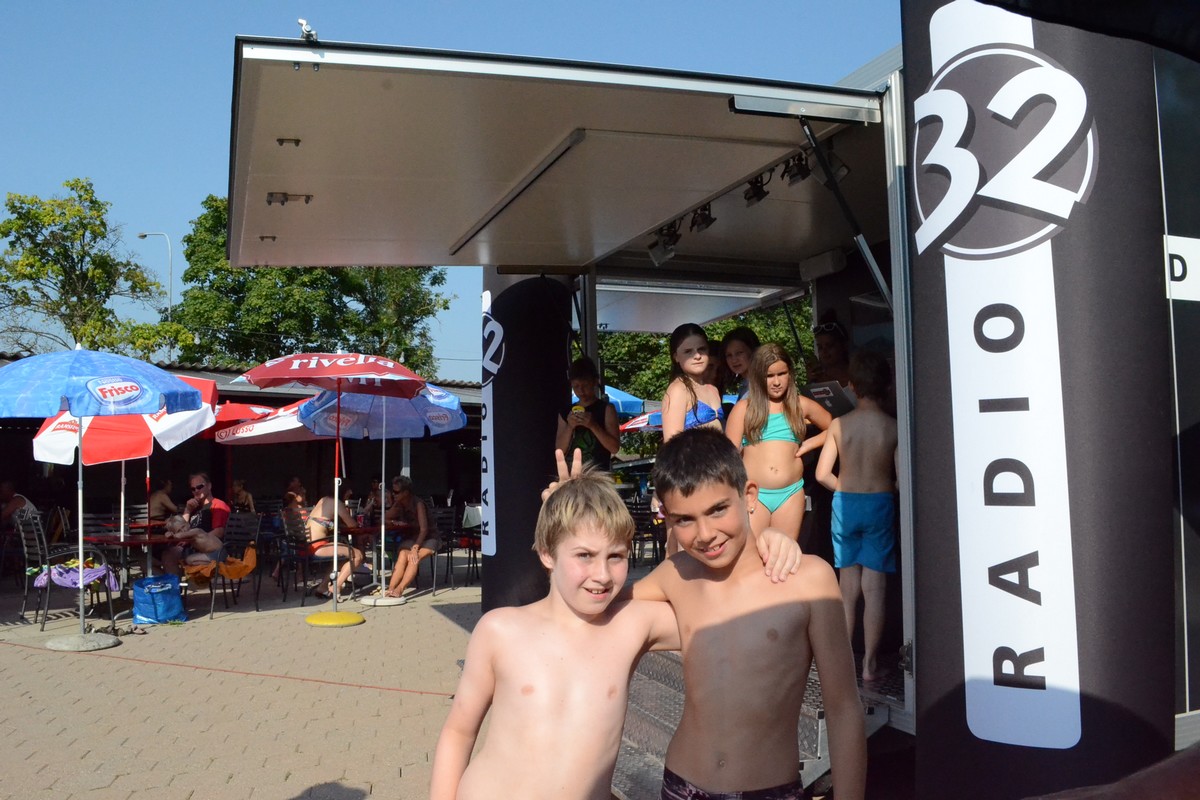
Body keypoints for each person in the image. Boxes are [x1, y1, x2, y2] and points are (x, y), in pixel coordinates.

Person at [636, 429, 866, 799]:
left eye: (718, 510)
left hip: (769, 789)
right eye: (685, 520)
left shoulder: (807, 579)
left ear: (749, 496)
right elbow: (596, 604)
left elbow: (843, 707)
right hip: (681, 784)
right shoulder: (675, 574)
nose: (705, 534)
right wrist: (570, 524)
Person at [430, 469, 681, 799]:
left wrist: (760, 533)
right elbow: (458, 732)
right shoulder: (500, 629)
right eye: (584, 555)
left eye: (616, 556)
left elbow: (712, 609)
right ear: (547, 553)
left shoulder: (632, 624)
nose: (603, 575)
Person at [815, 350, 898, 684]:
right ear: (888, 386)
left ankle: (845, 663)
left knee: (847, 585)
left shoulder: (839, 425)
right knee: (874, 587)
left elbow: (822, 474)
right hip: (879, 502)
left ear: (851, 385)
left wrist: (844, 488)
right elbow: (901, 480)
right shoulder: (893, 427)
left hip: (845, 503)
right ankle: (870, 666)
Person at [726, 343, 832, 542]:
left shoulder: (800, 405)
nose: (776, 382)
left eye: (781, 374)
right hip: (755, 494)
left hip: (790, 494)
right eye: (769, 376)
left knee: (784, 554)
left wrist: (810, 444)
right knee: (753, 554)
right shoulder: (744, 408)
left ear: (790, 374)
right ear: (758, 377)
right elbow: (728, 455)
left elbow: (835, 427)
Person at [661, 323, 725, 442]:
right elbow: (672, 445)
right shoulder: (678, 390)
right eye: (688, 351)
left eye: (702, 349)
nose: (697, 356)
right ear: (676, 357)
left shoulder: (713, 389)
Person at [555, 356, 621, 471]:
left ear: (595, 382)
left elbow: (614, 448)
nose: (581, 391)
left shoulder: (606, 409)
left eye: (585, 385)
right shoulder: (565, 412)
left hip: (598, 475)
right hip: (573, 475)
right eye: (576, 386)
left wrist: (593, 425)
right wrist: (570, 427)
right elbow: (559, 450)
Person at [160, 472, 229, 574]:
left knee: (170, 555)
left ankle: (175, 583)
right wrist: (188, 510)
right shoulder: (195, 507)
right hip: (192, 546)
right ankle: (174, 581)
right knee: (165, 554)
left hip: (207, 549)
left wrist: (192, 540)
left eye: (199, 487)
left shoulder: (217, 505)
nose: (196, 491)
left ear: (209, 486)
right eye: (193, 489)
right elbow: (181, 526)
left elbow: (219, 532)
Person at [383, 475, 436, 601]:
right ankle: (391, 588)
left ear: (406, 492)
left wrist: (415, 548)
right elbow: (384, 518)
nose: (393, 494)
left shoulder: (418, 504)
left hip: (429, 538)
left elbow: (424, 529)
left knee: (414, 558)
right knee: (402, 554)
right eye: (393, 491)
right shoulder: (399, 504)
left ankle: (400, 589)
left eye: (396, 492)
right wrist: (394, 522)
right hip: (412, 537)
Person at [307, 484, 364, 599]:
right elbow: (352, 524)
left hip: (309, 545)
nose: (351, 493)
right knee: (358, 555)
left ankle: (323, 587)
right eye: (348, 490)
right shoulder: (337, 503)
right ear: (341, 491)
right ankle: (336, 586)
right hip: (318, 546)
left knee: (342, 556)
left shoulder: (323, 500)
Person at [811, 316, 853, 391]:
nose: (824, 351)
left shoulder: (859, 379)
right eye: (820, 347)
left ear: (843, 345)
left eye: (830, 345)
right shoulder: (815, 382)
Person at [721, 326, 761, 399]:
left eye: (739, 353)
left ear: (753, 351)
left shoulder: (762, 384)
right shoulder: (743, 385)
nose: (734, 360)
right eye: (729, 355)